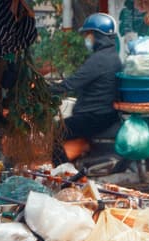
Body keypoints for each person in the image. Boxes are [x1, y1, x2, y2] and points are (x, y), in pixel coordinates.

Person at [52, 13, 122, 164]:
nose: (87, 38)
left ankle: (63, 175)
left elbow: (73, 83)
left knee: (54, 132)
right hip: (104, 113)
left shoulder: (100, 59)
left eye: (89, 34)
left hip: (95, 116)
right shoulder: (111, 55)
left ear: (98, 35)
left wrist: (46, 90)